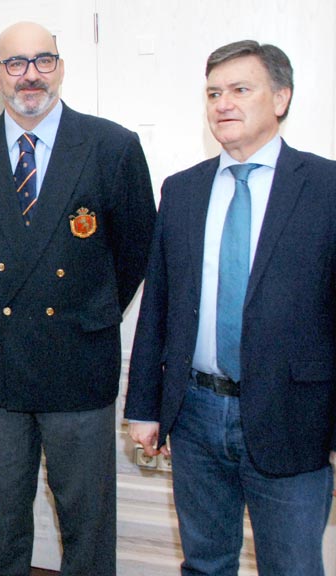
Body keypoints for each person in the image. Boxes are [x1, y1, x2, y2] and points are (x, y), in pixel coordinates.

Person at [0, 21, 157, 576]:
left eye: (42, 60)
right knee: (1, 520)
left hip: (79, 366)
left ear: (60, 68)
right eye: (15, 63)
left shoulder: (112, 146)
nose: (29, 75)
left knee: (87, 523)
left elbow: (134, 252)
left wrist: (89, 309)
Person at [126, 40, 334, 575]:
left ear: (281, 98)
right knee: (205, 564)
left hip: (295, 418)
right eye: (214, 93)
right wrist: (145, 407)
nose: (223, 103)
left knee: (291, 566)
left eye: (241, 89)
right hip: (195, 414)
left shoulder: (326, 187)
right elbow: (159, 307)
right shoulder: (183, 190)